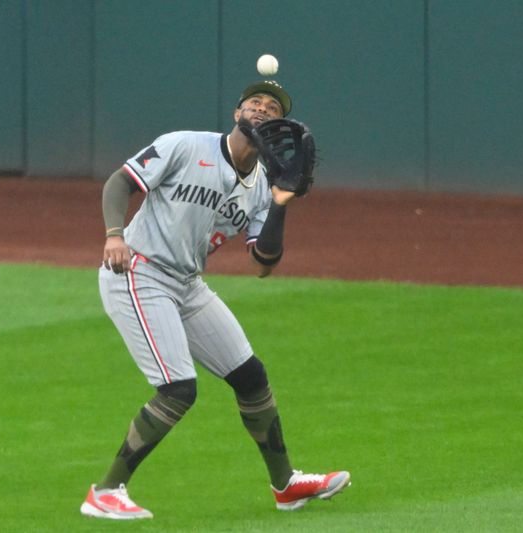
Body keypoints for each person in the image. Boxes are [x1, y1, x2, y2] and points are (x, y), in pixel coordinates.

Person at [80, 80, 350, 520]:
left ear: (279, 125)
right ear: (236, 112)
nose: (261, 109)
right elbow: (119, 182)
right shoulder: (185, 145)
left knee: (251, 377)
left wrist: (281, 202)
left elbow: (263, 263)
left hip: (186, 284)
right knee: (178, 389)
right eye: (254, 102)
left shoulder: (264, 184)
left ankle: (285, 486)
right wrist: (114, 235)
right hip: (138, 271)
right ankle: (106, 492)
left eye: (271, 107)